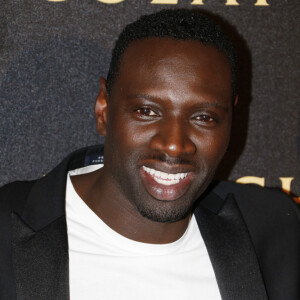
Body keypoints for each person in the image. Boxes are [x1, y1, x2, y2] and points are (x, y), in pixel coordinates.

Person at [0, 9, 299, 300]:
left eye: (204, 117)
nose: (174, 145)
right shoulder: (7, 226)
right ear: (104, 109)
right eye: (147, 111)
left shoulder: (275, 230)